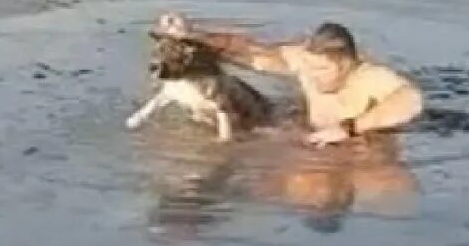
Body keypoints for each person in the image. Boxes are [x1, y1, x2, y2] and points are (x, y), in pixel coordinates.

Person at [151, 13, 424, 147]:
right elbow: (250, 53)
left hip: (357, 147)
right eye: (311, 68)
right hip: (313, 134)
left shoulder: (369, 76)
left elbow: (410, 100)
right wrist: (192, 35)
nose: (314, 77)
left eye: (324, 70)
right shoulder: (304, 61)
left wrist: (350, 128)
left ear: (346, 61)